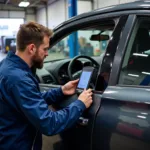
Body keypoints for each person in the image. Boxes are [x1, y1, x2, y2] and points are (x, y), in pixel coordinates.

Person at [0, 22, 93, 150]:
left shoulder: (7, 66)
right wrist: (80, 104)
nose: (47, 53)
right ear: (32, 48)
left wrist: (61, 91)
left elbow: (28, 100)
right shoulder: (19, 79)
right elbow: (49, 124)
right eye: (45, 49)